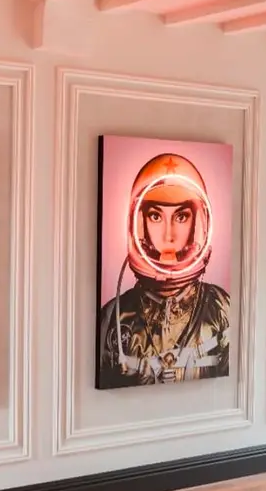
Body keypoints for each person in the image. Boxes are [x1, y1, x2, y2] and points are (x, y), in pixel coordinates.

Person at [97, 153, 230, 389]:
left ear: (197, 222)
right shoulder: (115, 317)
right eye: (156, 216)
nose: (169, 235)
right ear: (140, 222)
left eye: (181, 216)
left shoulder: (220, 308)